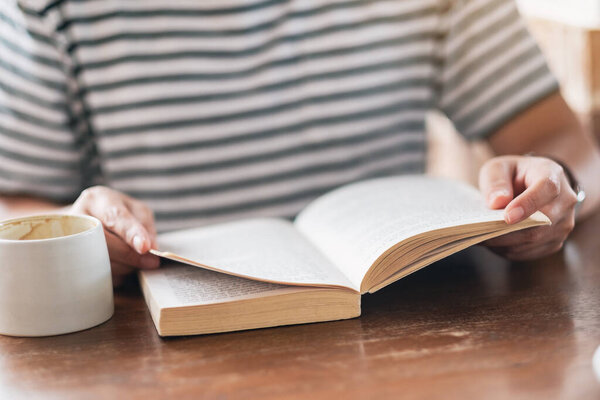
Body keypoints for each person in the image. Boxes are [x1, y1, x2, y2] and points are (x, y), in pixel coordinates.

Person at [1, 0, 599, 286]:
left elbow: (565, 144)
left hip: (408, 314)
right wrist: (71, 229)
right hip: (153, 342)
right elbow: (11, 204)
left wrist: (557, 184)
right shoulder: (51, 12)